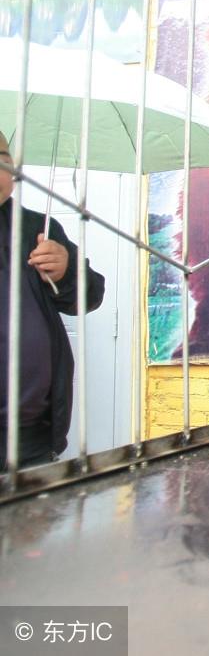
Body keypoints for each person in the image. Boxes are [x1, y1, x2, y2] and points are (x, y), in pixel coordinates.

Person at [0, 132, 105, 467]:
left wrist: (66, 270)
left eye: (3, 159)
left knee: (33, 517)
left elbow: (90, 295)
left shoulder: (38, 228)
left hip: (29, 433)